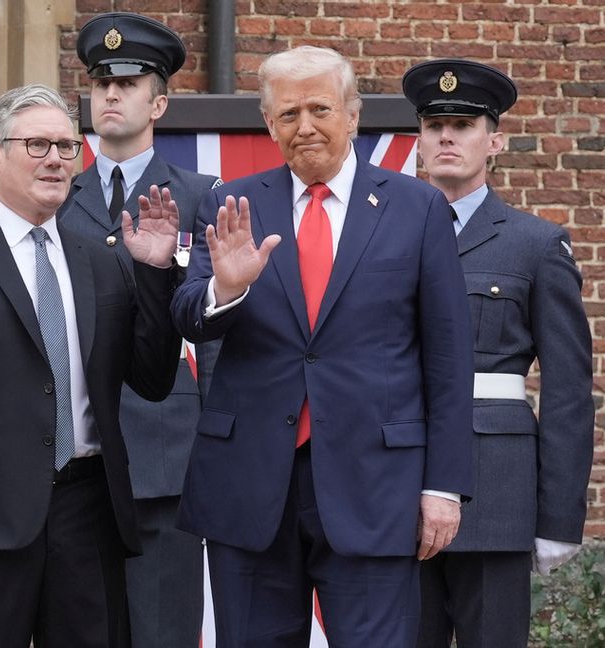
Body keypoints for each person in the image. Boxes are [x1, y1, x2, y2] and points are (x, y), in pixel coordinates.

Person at [170, 45, 475, 647]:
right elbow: (188, 315)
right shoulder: (232, 202)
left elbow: (447, 356)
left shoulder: (417, 208)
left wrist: (442, 487)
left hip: (375, 485)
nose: (304, 126)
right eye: (288, 114)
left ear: (353, 114)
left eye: (319, 109)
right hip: (251, 485)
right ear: (269, 124)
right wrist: (225, 288)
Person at [0, 83, 181, 648]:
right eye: (37, 145)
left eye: (67, 147)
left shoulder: (102, 259)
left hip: (89, 510)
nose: (55, 159)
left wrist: (153, 272)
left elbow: (152, 378)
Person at [402, 59, 594, 648]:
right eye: (435, 125)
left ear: (495, 141)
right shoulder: (379, 236)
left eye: (463, 124)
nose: (447, 137)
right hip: (396, 478)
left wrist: (559, 518)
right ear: (419, 141)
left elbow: (567, 389)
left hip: (495, 490)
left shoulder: (535, 244)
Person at [58, 13, 219, 647]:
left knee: (163, 632)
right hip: (77, 447)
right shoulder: (55, 198)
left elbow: (217, 326)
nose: (112, 96)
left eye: (128, 84)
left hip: (166, 448)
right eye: (101, 85)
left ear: (159, 101)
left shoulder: (202, 196)